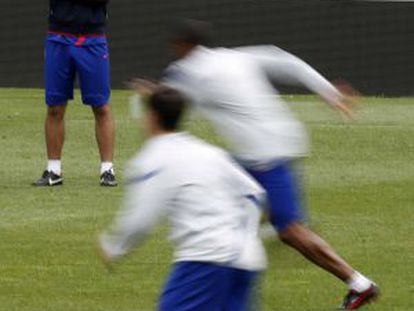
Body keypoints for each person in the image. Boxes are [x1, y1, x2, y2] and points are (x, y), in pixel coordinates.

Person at [133, 20, 379, 310]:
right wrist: (329, 92)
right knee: (227, 201)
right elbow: (288, 62)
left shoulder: (187, 72)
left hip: (262, 155)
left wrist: (149, 93)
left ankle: (358, 283)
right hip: (277, 143)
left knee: (289, 229)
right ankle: (256, 235)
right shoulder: (236, 56)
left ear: (183, 46)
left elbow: (166, 102)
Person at [97, 87, 267, 311]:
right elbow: (255, 195)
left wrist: (113, 247)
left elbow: (141, 220)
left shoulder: (153, 158)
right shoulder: (209, 152)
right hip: (247, 260)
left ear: (153, 117)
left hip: (205, 261)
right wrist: (247, 236)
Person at [34, 0, 117, 187]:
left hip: (92, 38)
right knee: (55, 106)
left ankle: (107, 170)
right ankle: (54, 171)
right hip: (58, 37)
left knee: (101, 106)